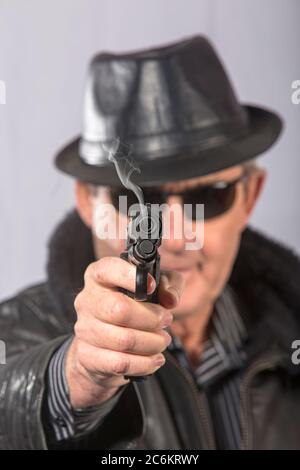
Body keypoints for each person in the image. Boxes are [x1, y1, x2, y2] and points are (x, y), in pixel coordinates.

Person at [1, 35, 300, 450]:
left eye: (208, 196)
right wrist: (76, 380)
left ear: (249, 197)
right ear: (89, 202)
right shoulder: (15, 330)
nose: (176, 236)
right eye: (138, 199)